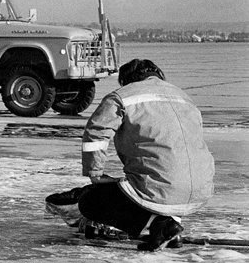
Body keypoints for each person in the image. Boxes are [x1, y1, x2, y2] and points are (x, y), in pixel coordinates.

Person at [45, 59, 214, 251]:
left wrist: (96, 174)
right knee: (163, 176)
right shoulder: (183, 97)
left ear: (127, 80)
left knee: (90, 202)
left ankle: (161, 225)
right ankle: (167, 224)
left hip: (163, 186)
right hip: (202, 188)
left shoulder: (122, 97)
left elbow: (96, 132)